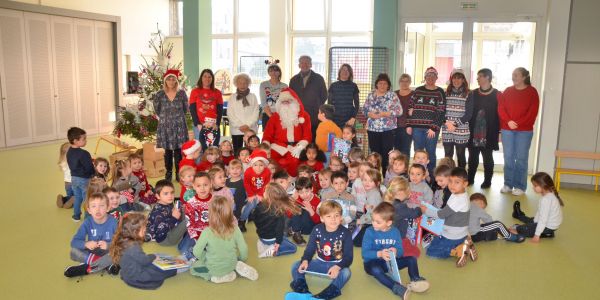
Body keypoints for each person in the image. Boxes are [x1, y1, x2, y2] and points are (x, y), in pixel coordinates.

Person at [362, 202, 430, 299]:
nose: (373, 224)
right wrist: (380, 254)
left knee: (412, 259)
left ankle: (416, 280)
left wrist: (396, 251)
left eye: (378, 222)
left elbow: (401, 252)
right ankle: (396, 287)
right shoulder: (369, 232)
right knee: (376, 270)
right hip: (372, 263)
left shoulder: (395, 232)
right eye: (373, 220)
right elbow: (365, 254)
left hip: (390, 263)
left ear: (389, 223)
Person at [289, 200, 353, 299]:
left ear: (341, 218)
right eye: (329, 216)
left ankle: (323, 296)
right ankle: (303, 291)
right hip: (319, 263)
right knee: (296, 265)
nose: (333, 219)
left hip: (336, 265)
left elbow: (349, 257)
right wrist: (305, 260)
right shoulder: (317, 229)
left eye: (336, 216)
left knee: (346, 273)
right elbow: (310, 249)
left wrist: (338, 267)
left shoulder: (346, 233)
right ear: (322, 218)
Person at [190, 196, 258, 283]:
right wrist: (240, 259)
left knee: (194, 268)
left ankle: (211, 276)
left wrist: (204, 257)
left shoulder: (207, 231)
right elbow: (244, 249)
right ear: (229, 212)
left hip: (213, 267)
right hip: (231, 264)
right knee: (231, 261)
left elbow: (196, 252)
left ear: (210, 214)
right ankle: (234, 268)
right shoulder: (235, 229)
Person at [422, 168, 477, 268]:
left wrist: (425, 210)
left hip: (452, 235)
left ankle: (458, 251)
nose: (452, 185)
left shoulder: (458, 199)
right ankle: (465, 242)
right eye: (450, 181)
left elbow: (441, 215)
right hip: (459, 232)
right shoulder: (459, 194)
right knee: (433, 242)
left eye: (457, 182)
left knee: (431, 251)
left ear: (465, 184)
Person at [499, 67, 540, 195]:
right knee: (508, 157)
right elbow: (501, 108)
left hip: (524, 131)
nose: (513, 77)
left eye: (516, 75)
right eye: (513, 75)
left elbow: (532, 113)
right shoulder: (507, 91)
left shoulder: (532, 92)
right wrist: (508, 121)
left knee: (521, 159)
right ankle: (508, 184)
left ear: (524, 77)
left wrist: (517, 124)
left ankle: (520, 186)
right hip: (507, 129)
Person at [109, 213, 178, 289]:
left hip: (127, 273)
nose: (145, 229)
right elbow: (144, 261)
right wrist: (153, 256)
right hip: (137, 275)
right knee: (163, 270)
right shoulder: (133, 247)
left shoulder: (122, 240)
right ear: (134, 232)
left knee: (154, 260)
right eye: (143, 228)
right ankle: (177, 268)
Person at [64, 193, 118, 277]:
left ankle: (87, 268)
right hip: (93, 251)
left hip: (109, 251)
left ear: (108, 208)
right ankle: (106, 265)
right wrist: (86, 244)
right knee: (74, 251)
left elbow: (122, 242)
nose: (97, 210)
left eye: (101, 206)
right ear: (89, 210)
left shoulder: (113, 222)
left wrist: (108, 245)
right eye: (94, 206)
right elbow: (74, 242)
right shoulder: (87, 222)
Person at [262, 88, 312, 177]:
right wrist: (265, 147)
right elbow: (267, 135)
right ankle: (274, 180)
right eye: (283, 102)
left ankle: (292, 181)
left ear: (295, 102)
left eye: (288, 101)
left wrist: (300, 147)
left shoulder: (304, 116)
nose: (285, 104)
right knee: (270, 160)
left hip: (295, 146)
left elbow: (307, 135)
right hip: (278, 146)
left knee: (294, 161)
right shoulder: (275, 117)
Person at [407, 67, 446, 177]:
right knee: (418, 154)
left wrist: (434, 127)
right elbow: (410, 108)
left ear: (436, 78)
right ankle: (417, 175)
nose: (431, 78)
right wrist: (409, 125)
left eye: (433, 76)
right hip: (416, 128)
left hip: (431, 129)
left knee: (430, 153)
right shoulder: (418, 90)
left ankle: (431, 178)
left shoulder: (440, 91)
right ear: (425, 77)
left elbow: (442, 111)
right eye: (428, 76)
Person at [467, 68, 501, 188]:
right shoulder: (473, 93)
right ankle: (470, 179)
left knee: (487, 158)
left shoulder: (497, 94)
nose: (477, 79)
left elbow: (500, 114)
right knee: (472, 158)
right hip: (474, 131)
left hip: (489, 132)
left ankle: (487, 181)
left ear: (487, 77)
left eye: (479, 76)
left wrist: (500, 131)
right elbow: (469, 111)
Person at [154, 69, 189, 181]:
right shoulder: (159, 94)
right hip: (165, 126)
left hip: (179, 125)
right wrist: (167, 118)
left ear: (176, 80)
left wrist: (176, 118)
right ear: (165, 80)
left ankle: (178, 173)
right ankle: (168, 173)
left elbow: (185, 109)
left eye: (173, 78)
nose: (171, 80)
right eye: (168, 78)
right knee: (168, 151)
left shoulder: (182, 93)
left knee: (179, 150)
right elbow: (157, 109)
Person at [363, 73, 403, 172]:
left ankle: (386, 177)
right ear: (376, 84)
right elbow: (364, 110)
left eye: (385, 83)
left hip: (388, 130)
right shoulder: (371, 95)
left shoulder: (392, 95)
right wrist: (369, 114)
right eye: (380, 83)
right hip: (372, 130)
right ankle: (374, 178)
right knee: (375, 156)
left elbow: (399, 111)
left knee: (386, 155)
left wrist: (385, 113)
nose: (382, 85)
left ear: (388, 85)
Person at [511, 172, 563, 243]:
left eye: (535, 186)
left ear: (543, 185)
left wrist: (536, 235)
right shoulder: (550, 193)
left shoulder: (546, 200)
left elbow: (543, 220)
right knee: (531, 220)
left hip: (547, 226)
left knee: (520, 229)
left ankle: (545, 233)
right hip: (550, 224)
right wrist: (533, 223)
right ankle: (518, 215)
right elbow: (541, 214)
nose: (533, 188)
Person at [253, 183, 300, 258]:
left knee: (284, 236)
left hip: (261, 236)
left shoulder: (259, 205)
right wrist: (278, 242)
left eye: (265, 191)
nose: (264, 192)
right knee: (293, 248)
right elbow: (279, 229)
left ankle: (263, 244)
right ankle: (272, 252)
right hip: (272, 239)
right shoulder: (279, 211)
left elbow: (254, 219)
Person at [289, 55, 328, 139]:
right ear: (299, 65)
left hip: (314, 116)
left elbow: (324, 95)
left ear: (311, 65)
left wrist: (317, 105)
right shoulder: (293, 80)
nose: (304, 64)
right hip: (298, 115)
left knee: (314, 138)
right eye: (302, 63)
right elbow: (291, 97)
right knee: (300, 138)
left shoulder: (319, 78)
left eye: (307, 62)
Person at [442, 69, 473, 169]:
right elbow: (441, 110)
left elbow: (469, 114)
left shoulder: (469, 93)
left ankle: (460, 177)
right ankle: (447, 177)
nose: (456, 80)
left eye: (459, 78)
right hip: (447, 127)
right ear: (451, 80)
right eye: (454, 78)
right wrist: (447, 123)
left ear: (463, 80)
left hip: (461, 129)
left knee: (460, 155)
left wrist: (455, 124)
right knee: (448, 155)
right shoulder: (445, 93)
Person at [385, 177, 422, 257]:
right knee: (415, 252)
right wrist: (420, 209)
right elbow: (414, 213)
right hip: (397, 239)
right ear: (401, 192)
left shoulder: (388, 202)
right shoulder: (401, 207)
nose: (410, 192)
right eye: (409, 190)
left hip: (386, 237)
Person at [189, 69, 224, 150]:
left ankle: (212, 163)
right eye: (205, 76)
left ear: (212, 79)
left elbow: (220, 110)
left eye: (209, 77)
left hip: (213, 125)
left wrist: (217, 124)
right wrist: (197, 124)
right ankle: (201, 163)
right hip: (199, 125)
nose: (207, 79)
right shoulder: (195, 91)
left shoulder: (217, 92)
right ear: (201, 78)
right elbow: (192, 109)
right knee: (200, 148)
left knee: (213, 148)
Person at [66, 127, 95, 221]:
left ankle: (76, 215)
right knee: (87, 198)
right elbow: (89, 167)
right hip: (84, 179)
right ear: (75, 141)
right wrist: (93, 174)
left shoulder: (69, 151)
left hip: (73, 178)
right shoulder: (84, 153)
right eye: (83, 139)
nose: (86, 141)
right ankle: (88, 217)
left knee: (77, 197)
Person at [145, 180, 186, 246]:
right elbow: (161, 232)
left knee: (184, 210)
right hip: (165, 239)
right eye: (166, 193)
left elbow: (169, 215)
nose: (170, 196)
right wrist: (174, 218)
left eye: (172, 192)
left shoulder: (167, 202)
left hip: (171, 227)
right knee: (188, 220)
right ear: (158, 196)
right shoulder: (157, 213)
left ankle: (186, 231)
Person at [228, 73, 260, 151]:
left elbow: (256, 112)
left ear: (248, 84)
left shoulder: (253, 96)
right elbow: (230, 113)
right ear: (236, 84)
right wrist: (240, 125)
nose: (242, 85)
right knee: (238, 151)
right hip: (237, 130)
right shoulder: (232, 97)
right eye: (240, 83)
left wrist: (248, 125)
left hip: (251, 129)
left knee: (251, 151)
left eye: (245, 83)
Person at [289, 177, 321, 246]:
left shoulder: (317, 201)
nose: (305, 195)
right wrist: (292, 201)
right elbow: (289, 215)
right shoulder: (298, 199)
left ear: (312, 189)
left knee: (305, 211)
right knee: (295, 208)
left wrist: (310, 210)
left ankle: (293, 231)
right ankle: (296, 233)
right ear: (297, 192)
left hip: (310, 228)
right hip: (298, 227)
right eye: (301, 192)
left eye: (307, 191)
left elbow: (319, 221)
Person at [328, 64, 360, 128]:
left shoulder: (354, 86)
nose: (345, 72)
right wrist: (330, 118)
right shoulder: (333, 86)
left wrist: (353, 118)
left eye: (347, 70)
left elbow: (357, 104)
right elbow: (329, 104)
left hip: (349, 120)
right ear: (339, 72)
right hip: (335, 120)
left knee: (348, 138)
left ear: (350, 73)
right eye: (343, 70)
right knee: (336, 138)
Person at [259, 64, 288, 131]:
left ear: (279, 72)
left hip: (281, 115)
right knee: (267, 138)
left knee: (280, 136)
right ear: (268, 73)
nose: (273, 73)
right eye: (271, 71)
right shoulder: (263, 84)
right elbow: (263, 102)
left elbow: (286, 101)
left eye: (276, 71)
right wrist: (271, 116)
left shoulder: (285, 86)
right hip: (267, 114)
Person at [394, 74, 414, 157]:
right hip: (395, 126)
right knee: (396, 150)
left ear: (410, 82)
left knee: (405, 150)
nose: (404, 83)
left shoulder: (414, 94)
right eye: (402, 81)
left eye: (407, 81)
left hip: (408, 126)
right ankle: (397, 169)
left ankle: (404, 169)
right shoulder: (394, 94)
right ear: (399, 82)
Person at [226, 159, 247, 230]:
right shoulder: (225, 181)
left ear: (241, 170)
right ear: (229, 170)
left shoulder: (244, 182)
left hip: (238, 209)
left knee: (234, 228)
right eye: (232, 168)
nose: (235, 171)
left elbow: (247, 196)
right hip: (227, 209)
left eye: (238, 168)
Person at [57, 142, 74, 209]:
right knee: (78, 196)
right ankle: (73, 200)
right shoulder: (72, 162)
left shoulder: (62, 162)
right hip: (74, 182)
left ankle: (63, 199)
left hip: (67, 183)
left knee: (69, 195)